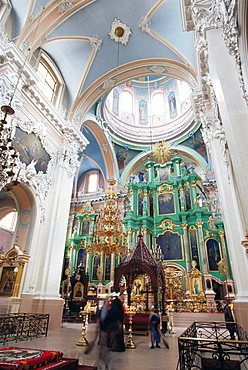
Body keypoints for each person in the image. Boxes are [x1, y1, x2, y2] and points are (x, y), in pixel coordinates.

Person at [96, 297, 112, 370]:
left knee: (103, 348)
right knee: (103, 347)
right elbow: (100, 319)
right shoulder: (104, 310)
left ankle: (104, 363)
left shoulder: (108, 310)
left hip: (105, 330)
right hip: (103, 330)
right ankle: (102, 363)